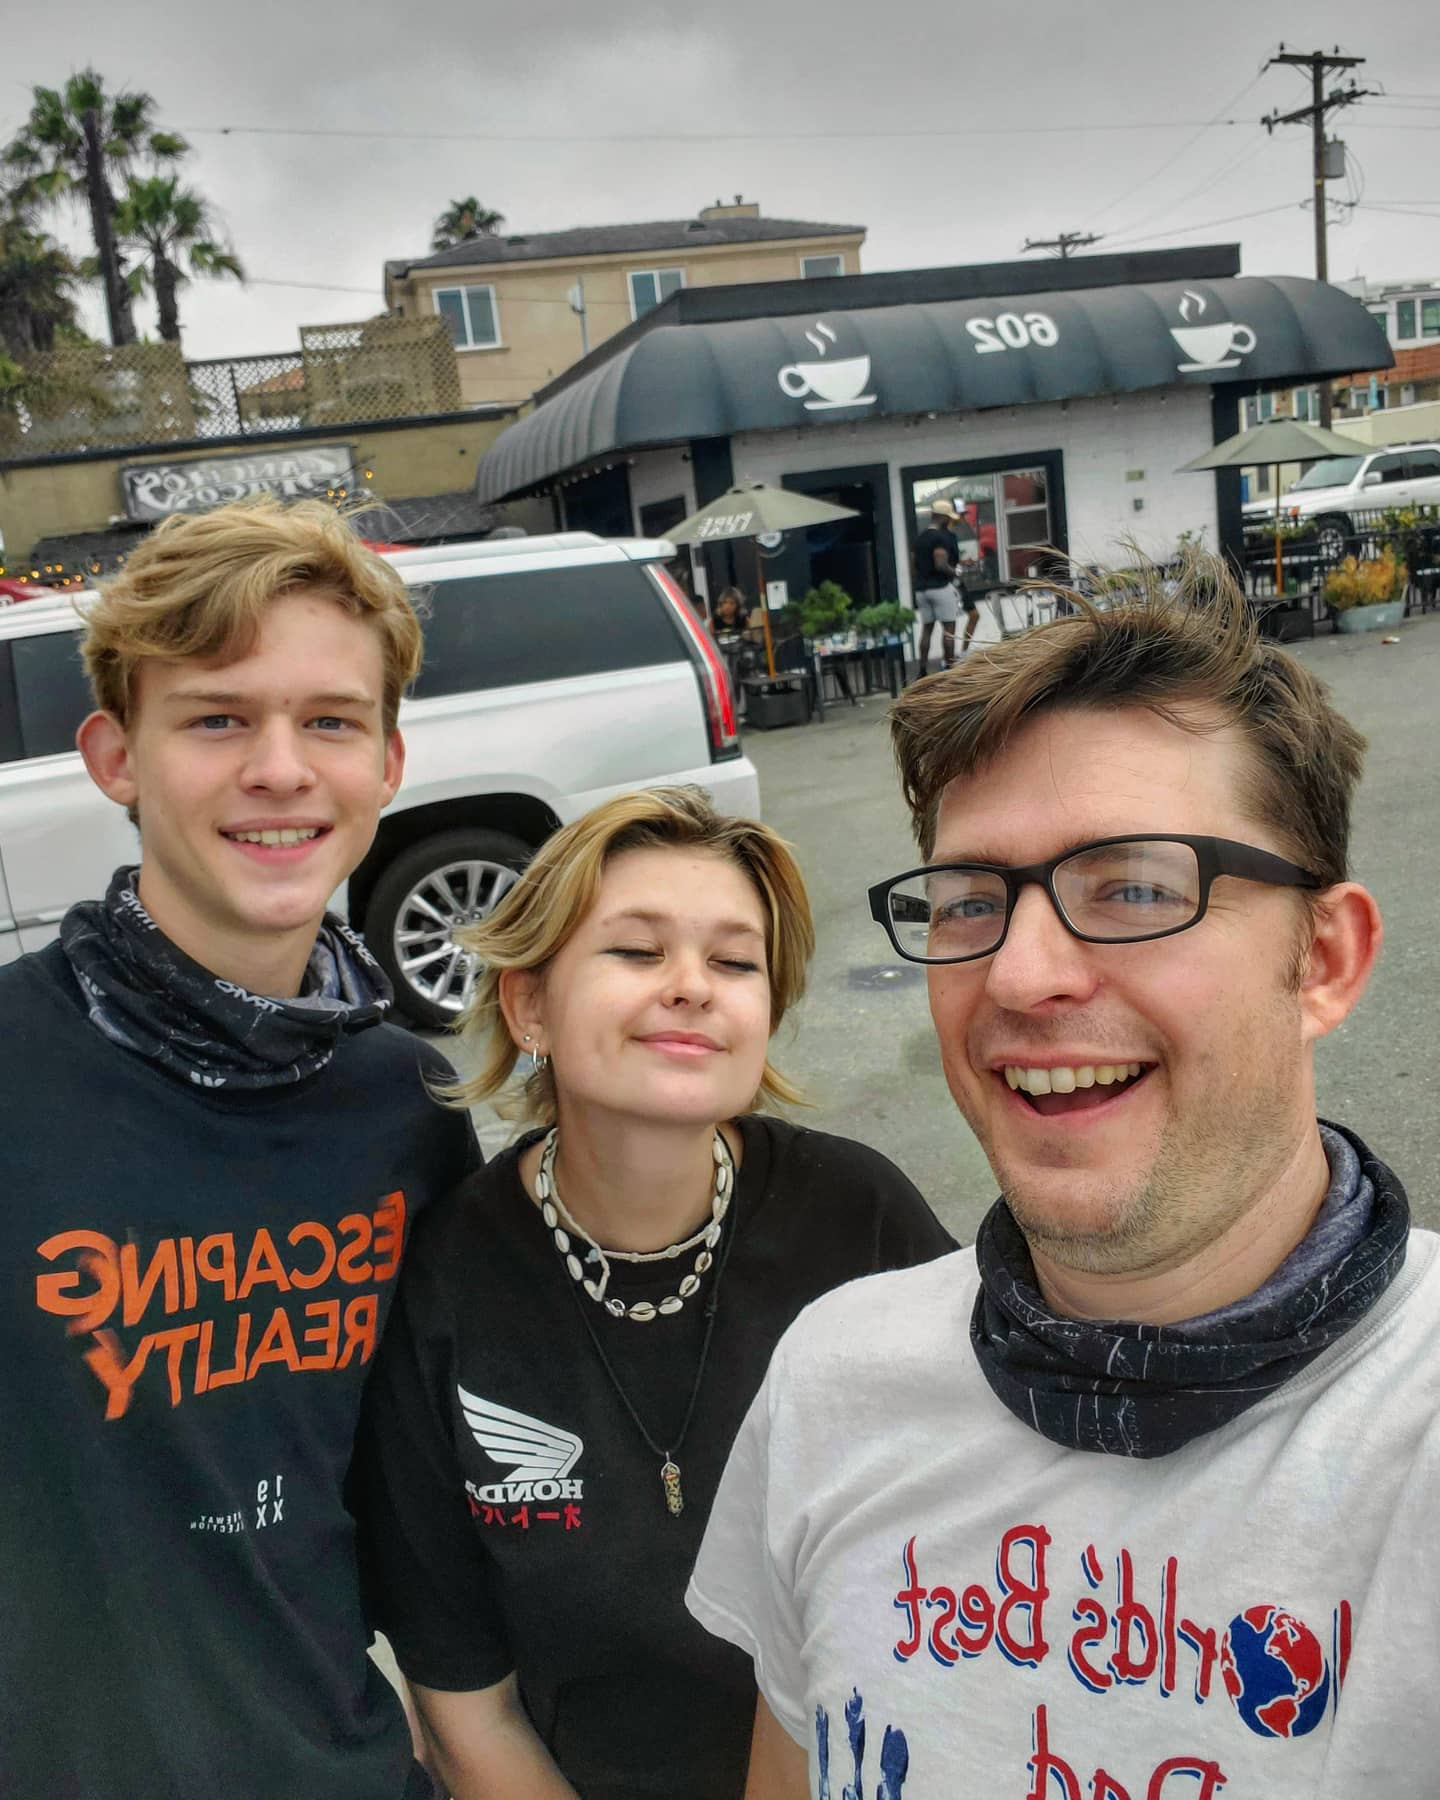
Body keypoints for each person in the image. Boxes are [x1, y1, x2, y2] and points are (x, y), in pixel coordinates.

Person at [689, 570, 1438, 1798]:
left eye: (1134, 888)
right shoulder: (833, 1382)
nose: (1020, 975)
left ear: (1324, 960)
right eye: (970, 902)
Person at [2, 498, 478, 1798]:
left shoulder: (406, 1102)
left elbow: (424, 1499)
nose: (280, 769)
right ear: (116, 757)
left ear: (388, 761)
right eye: (217, 719)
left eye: (330, 721)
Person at [353, 786, 954, 1799]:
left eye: (735, 962)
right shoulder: (445, 1281)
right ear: (529, 1006)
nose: (692, 987)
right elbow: (468, 1711)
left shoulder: (859, 1219)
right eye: (637, 951)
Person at [910, 499, 977, 675]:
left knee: (926, 630)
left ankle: (922, 671)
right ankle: (950, 671)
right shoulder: (940, 538)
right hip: (940, 587)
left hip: (921, 590)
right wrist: (955, 571)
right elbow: (941, 564)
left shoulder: (919, 538)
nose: (949, 521)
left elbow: (913, 567)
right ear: (943, 517)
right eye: (948, 517)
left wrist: (921, 581)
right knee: (949, 631)